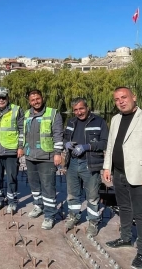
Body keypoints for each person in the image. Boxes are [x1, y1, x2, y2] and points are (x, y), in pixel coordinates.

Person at [103, 87, 142, 269]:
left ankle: (141, 252)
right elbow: (111, 144)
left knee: (140, 214)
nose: (121, 101)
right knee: (124, 208)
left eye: (124, 97)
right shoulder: (116, 119)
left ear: (133, 97)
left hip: (137, 173)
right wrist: (106, 166)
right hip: (118, 172)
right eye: (117, 99)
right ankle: (126, 238)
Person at [64, 97, 108, 236]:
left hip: (90, 163)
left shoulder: (99, 121)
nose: (79, 112)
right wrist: (67, 143)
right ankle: (74, 216)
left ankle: (93, 222)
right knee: (72, 194)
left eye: (81, 108)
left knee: (92, 195)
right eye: (76, 110)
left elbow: (105, 143)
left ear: (87, 108)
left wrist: (87, 146)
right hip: (72, 162)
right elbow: (65, 137)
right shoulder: (71, 121)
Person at [23, 89, 63, 230]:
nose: (36, 102)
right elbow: (24, 133)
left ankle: (50, 215)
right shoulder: (27, 114)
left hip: (46, 156)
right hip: (30, 155)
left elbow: (58, 134)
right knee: (34, 185)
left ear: (42, 98)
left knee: (48, 186)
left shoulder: (53, 113)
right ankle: (38, 206)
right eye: (33, 100)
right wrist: (21, 148)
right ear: (29, 101)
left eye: (38, 99)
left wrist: (58, 153)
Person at [0, 90, 24, 213]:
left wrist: (20, 147)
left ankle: (12, 201)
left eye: (3, 97)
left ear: (8, 97)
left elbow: (22, 130)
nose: (1, 100)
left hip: (11, 150)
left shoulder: (16, 110)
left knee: (11, 177)